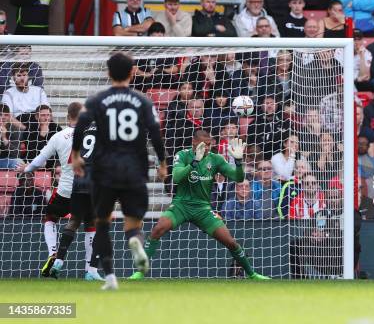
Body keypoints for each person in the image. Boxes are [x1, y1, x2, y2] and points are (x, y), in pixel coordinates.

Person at [70, 52, 168, 290]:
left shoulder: (96, 100)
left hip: (104, 170)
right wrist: (163, 163)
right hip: (134, 169)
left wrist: (75, 155)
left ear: (108, 73)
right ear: (133, 72)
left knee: (102, 222)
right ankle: (135, 241)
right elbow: (155, 132)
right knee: (133, 222)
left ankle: (110, 276)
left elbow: (80, 125)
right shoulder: (143, 101)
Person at [130, 129, 268, 279]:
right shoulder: (182, 155)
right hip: (181, 205)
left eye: (209, 144)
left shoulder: (216, 159)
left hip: (202, 208)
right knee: (158, 229)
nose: (207, 148)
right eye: (204, 144)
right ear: (194, 142)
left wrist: (239, 162)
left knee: (231, 242)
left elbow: (238, 178)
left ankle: (252, 274)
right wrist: (195, 162)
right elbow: (176, 177)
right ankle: (140, 272)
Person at [18, 103, 102, 280]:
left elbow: (40, 161)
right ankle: (89, 270)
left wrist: (26, 168)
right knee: (91, 225)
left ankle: (53, 252)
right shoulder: (92, 134)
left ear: (67, 116)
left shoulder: (58, 136)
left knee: (50, 217)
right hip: (88, 188)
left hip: (65, 189)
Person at [0, 103, 23, 170]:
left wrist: (4, 138)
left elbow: (16, 154)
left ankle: (24, 179)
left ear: (9, 116)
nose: (3, 117)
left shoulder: (14, 129)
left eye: (6, 115)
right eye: (0, 115)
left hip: (6, 161)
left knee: (18, 162)